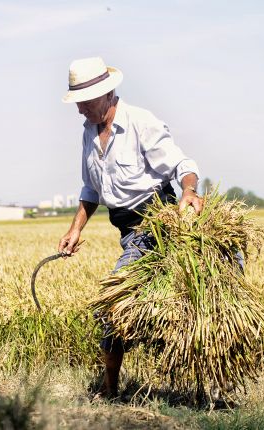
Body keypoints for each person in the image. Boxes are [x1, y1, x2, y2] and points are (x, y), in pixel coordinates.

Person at [57, 57, 203, 398]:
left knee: (111, 303)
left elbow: (182, 165)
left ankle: (110, 391)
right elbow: (91, 188)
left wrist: (189, 190)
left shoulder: (140, 122)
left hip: (157, 226)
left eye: (86, 102)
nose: (80, 110)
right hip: (129, 234)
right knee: (124, 308)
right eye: (77, 102)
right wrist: (76, 228)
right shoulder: (89, 133)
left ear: (107, 94)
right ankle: (113, 389)